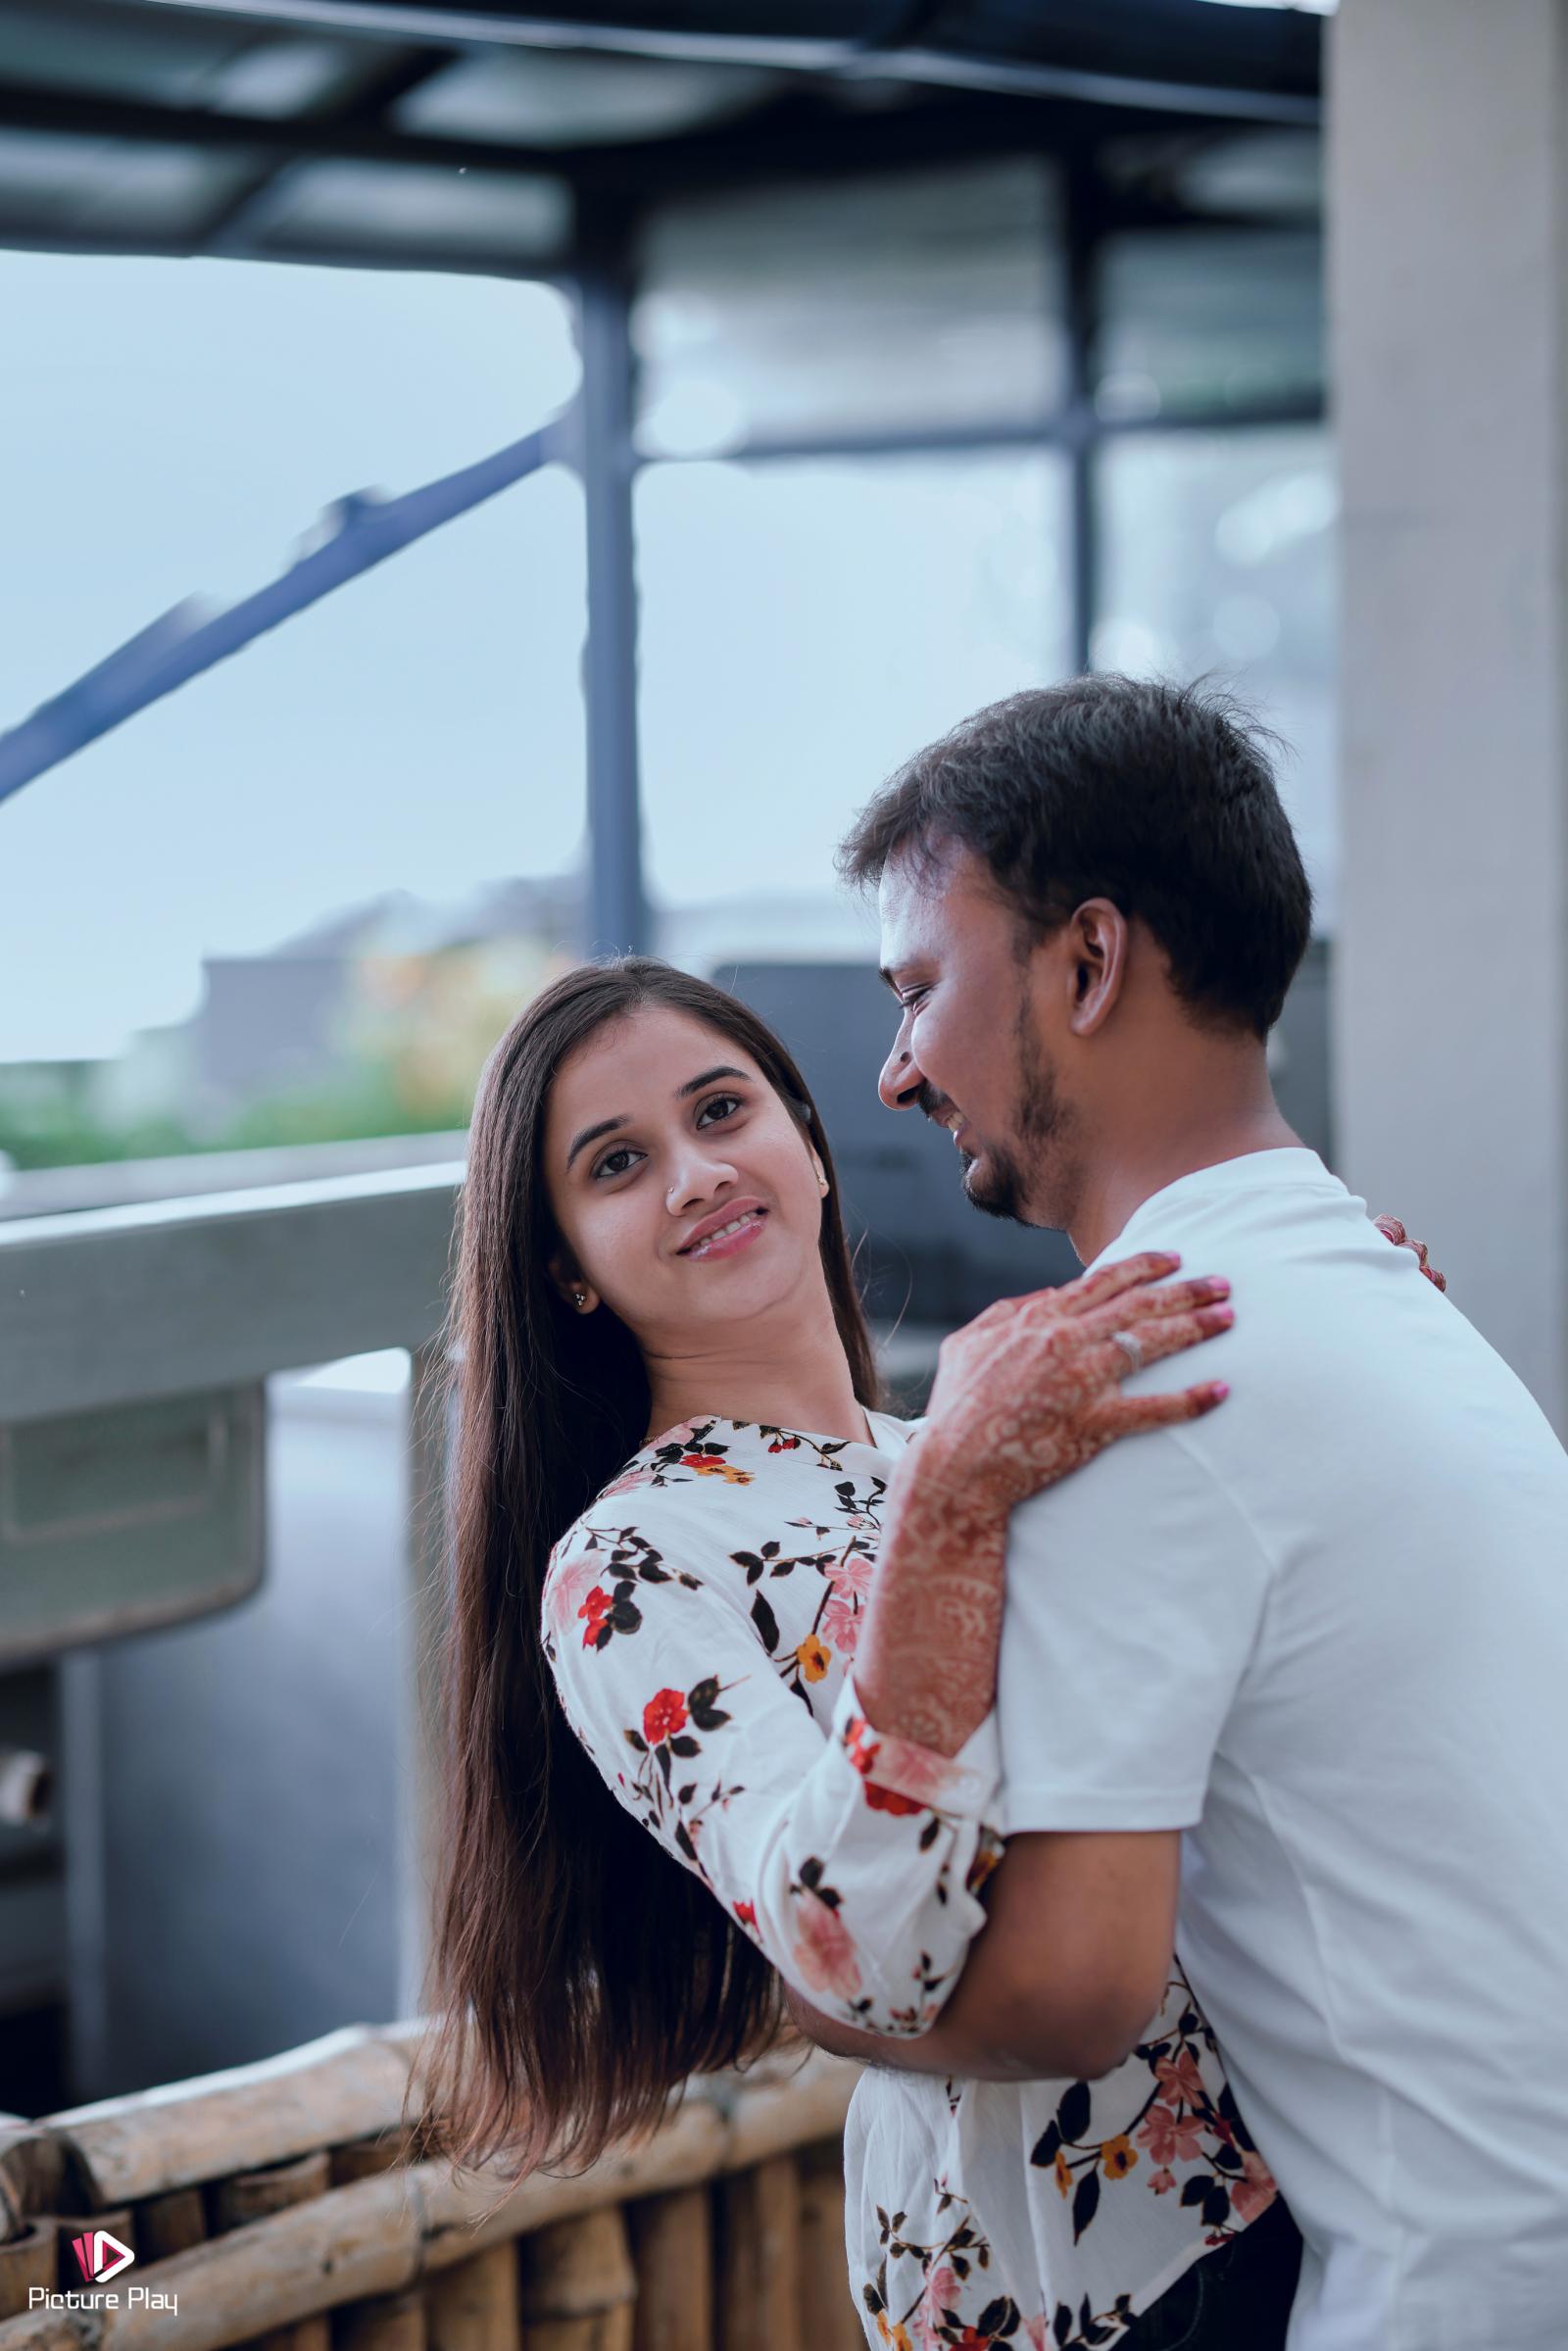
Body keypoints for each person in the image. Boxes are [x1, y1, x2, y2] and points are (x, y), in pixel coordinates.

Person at [414, 955, 1428, 2350]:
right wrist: (951, 1514)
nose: (696, 1176)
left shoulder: (969, 1433)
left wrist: (1339, 1370)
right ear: (565, 1270)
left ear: (812, 1146)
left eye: (721, 1110)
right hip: (1087, 2273)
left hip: (1323, 2152)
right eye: (618, 1163)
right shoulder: (626, 1566)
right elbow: (851, 1955)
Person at [791, 673, 1568, 2351]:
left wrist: (808, 1987)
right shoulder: (1388, 1301)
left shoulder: (1128, 1387)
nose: (896, 1072)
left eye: (918, 990)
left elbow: (1074, 1993)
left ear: (1087, 961)